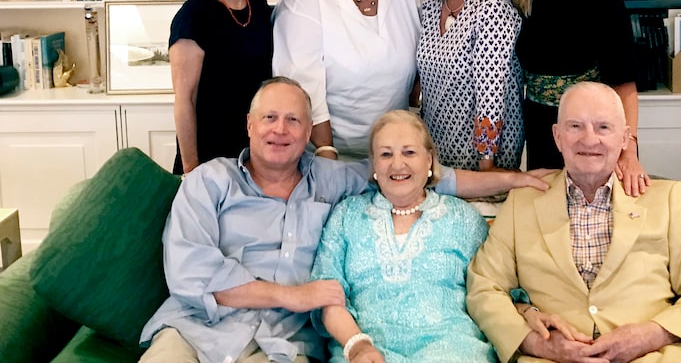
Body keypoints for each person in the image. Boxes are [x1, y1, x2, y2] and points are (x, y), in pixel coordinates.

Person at [139, 77, 550, 363]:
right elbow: (190, 272)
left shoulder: (334, 180)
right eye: (269, 118)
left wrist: (517, 178)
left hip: (281, 345)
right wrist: (293, 296)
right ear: (249, 125)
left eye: (294, 120)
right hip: (194, 332)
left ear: (308, 135)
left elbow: (414, 177)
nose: (280, 130)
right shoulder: (208, 182)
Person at [466, 82, 681, 363]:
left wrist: (653, 334)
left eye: (603, 128)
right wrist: (536, 343)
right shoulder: (521, 204)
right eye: (575, 126)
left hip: (653, 356)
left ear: (624, 139)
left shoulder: (670, 199)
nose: (589, 139)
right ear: (557, 137)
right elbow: (484, 286)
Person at [310, 110, 497, 363]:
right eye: (386, 154)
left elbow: (497, 289)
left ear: (429, 160)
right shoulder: (346, 215)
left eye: (409, 152)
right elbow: (326, 296)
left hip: (452, 350)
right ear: (374, 164)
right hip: (366, 352)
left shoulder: (464, 219)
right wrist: (357, 345)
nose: (397, 165)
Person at [510, 0, 647, 195]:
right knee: (550, 222)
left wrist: (629, 151)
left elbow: (624, 85)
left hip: (592, 133)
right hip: (542, 132)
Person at [272, 0, 419, 160]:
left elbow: (422, 58)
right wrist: (327, 156)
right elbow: (303, 88)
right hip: (332, 153)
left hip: (395, 149)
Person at [417, 0, 523, 171]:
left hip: (483, 155)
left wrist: (486, 163)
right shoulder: (430, 6)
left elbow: (491, 92)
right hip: (438, 148)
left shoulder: (492, 8)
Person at [169, 0, 272, 174]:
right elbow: (184, 100)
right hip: (210, 161)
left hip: (256, 152)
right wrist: (192, 171)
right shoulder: (193, 16)